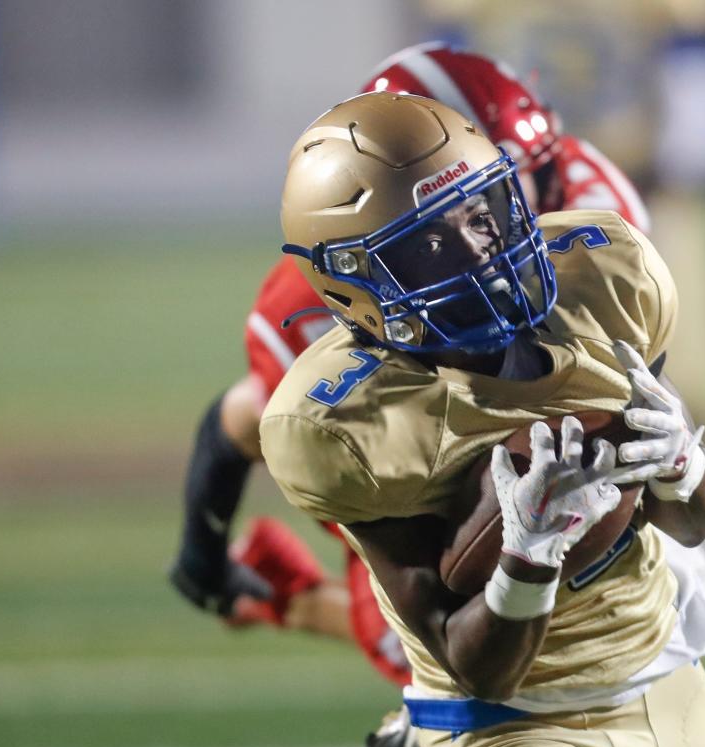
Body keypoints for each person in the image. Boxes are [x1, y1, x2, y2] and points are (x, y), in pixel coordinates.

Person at [261, 91, 705, 747]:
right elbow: (478, 668)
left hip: (670, 685)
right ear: (351, 277)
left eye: (481, 214)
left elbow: (691, 522)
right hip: (508, 727)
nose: (479, 251)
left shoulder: (603, 282)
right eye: (431, 242)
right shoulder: (351, 424)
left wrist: (683, 463)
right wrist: (527, 557)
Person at [168, 43, 651, 689]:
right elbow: (246, 415)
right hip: (432, 461)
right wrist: (203, 548)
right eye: (436, 226)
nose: (498, 234)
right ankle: (300, 606)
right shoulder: (310, 309)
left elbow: (635, 386)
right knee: (425, 626)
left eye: (509, 186)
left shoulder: (592, 209)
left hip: (542, 410)